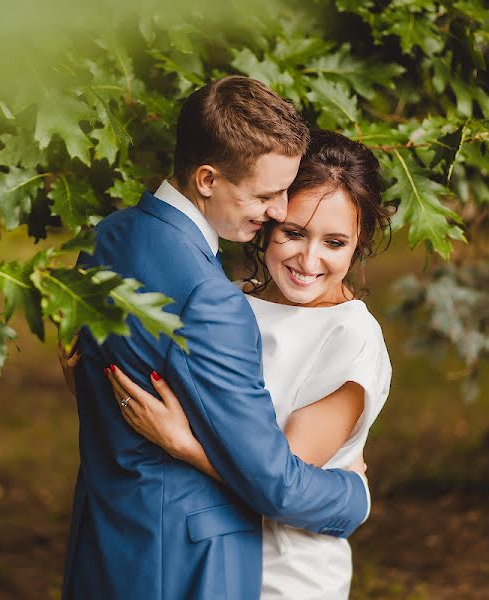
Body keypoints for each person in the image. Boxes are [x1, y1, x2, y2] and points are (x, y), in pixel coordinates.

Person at [60, 77, 370, 600]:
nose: (277, 212)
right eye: (266, 195)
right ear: (207, 178)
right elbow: (272, 480)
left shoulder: (108, 238)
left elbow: (84, 374)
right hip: (187, 561)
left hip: (106, 539)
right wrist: (352, 494)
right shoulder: (211, 301)